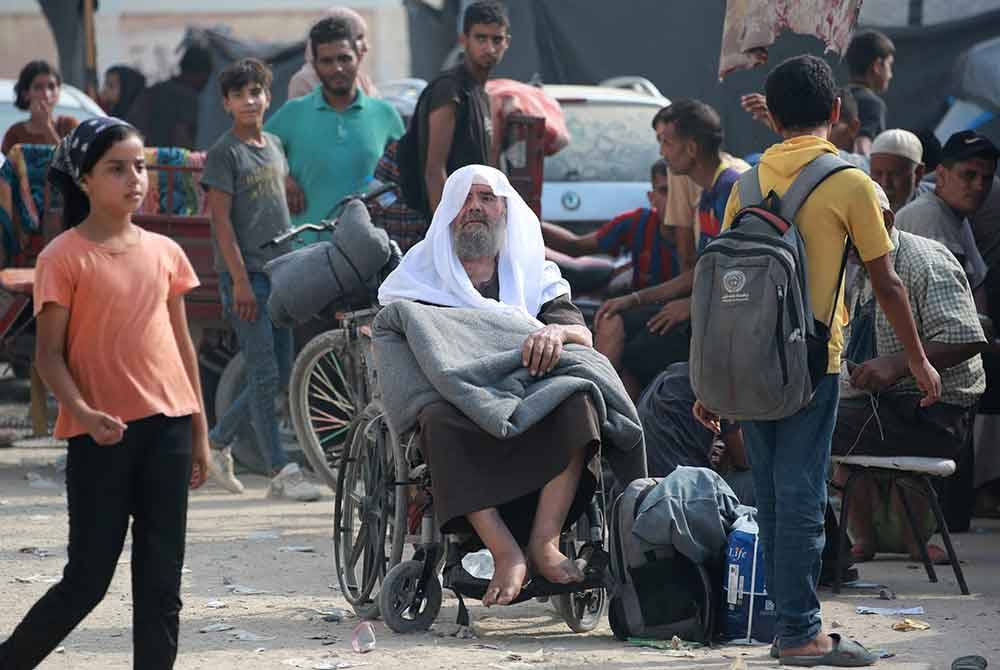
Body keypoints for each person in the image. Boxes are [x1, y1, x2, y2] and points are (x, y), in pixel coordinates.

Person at [695, 55, 941, 666]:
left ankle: (785, 624)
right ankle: (801, 632)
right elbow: (888, 284)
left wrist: (712, 378)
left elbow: (725, 285)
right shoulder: (851, 182)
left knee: (777, 496)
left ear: (771, 117)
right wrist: (919, 361)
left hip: (748, 365)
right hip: (811, 365)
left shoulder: (744, 186)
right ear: (835, 112)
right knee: (803, 495)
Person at [377, 165, 644, 607]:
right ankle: (504, 551)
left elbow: (580, 334)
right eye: (465, 199)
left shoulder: (534, 271)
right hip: (458, 394)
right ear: (449, 212)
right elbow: (402, 341)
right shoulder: (421, 275)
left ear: (504, 210)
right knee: (437, 419)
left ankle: (544, 542)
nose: (475, 208)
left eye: (487, 198)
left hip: (528, 388)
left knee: (579, 402)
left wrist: (553, 334)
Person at [0, 118, 210, 669]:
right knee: (88, 579)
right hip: (99, 437)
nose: (134, 178)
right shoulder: (62, 257)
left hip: (168, 430)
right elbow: (48, 355)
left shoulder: (166, 253)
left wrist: (200, 432)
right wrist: (85, 413)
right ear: (85, 180)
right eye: (117, 168)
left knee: (162, 584)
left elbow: (184, 350)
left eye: (139, 166)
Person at [834, 182, 985, 564]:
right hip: (887, 404)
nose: (845, 242)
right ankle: (861, 540)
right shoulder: (856, 267)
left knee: (816, 426)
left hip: (937, 413)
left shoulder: (925, 262)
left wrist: (898, 363)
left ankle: (831, 551)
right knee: (820, 412)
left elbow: (967, 339)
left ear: (884, 220)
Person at [201, 59, 322, 501]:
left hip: (282, 271)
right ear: (227, 103)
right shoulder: (224, 153)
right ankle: (280, 471)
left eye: (257, 92)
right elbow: (222, 223)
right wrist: (240, 283)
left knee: (280, 373)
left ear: (268, 97)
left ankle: (215, 443)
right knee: (263, 372)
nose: (250, 101)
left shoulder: (272, 143)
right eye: (240, 94)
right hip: (248, 276)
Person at [594, 100, 748, 400]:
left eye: (667, 142)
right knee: (614, 318)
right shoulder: (706, 194)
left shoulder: (733, 190)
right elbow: (700, 271)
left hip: (726, 322)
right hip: (705, 309)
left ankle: (624, 432)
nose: (662, 152)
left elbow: (742, 273)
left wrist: (691, 306)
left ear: (691, 149)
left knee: (637, 355)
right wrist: (633, 299)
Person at [266, 17, 404, 241]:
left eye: (344, 58)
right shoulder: (293, 113)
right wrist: (282, 177)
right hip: (306, 252)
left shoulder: (385, 115)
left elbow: (403, 176)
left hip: (370, 255)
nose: (337, 68)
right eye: (327, 61)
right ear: (314, 65)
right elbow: (254, 150)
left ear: (358, 57)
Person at [412, 0, 510, 215]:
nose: (489, 48)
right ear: (464, 40)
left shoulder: (485, 95)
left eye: (497, 39)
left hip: (477, 220)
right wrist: (446, 228)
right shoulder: (450, 90)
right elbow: (435, 170)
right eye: (481, 38)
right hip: (453, 223)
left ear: (507, 43)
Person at [894, 130, 997, 310]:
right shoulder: (931, 216)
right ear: (941, 175)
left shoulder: (955, 213)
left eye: (986, 178)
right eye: (969, 175)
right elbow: (947, 308)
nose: (979, 186)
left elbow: (978, 283)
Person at [541, 159, 679, 291]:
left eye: (679, 191)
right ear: (651, 198)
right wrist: (530, 225)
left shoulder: (699, 235)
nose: (674, 198)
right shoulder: (638, 223)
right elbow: (575, 246)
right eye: (665, 191)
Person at [637, 362, 753, 503]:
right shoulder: (723, 383)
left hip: (644, 493)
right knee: (764, 480)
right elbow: (744, 460)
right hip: (684, 499)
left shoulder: (674, 374)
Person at [741, 87, 869, 172]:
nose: (818, 134)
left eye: (831, 126)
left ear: (853, 127)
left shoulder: (869, 167)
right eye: (812, 125)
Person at [126, 45, 213, 150]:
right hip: (168, 160)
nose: (205, 84)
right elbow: (181, 137)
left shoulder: (156, 89)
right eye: (205, 79)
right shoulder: (187, 96)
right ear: (200, 74)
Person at [288, 7, 377, 100]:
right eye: (359, 37)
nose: (366, 47)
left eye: (344, 59)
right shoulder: (304, 81)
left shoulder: (362, 80)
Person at [2, 60, 79, 155]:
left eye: (51, 87)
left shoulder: (69, 125)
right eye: (38, 87)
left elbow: (70, 165)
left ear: (58, 92)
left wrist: (47, 127)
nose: (46, 94)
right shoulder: (15, 134)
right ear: (25, 94)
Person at [845, 30, 895, 156]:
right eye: (889, 65)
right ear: (877, 66)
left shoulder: (836, 98)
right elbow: (862, 149)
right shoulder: (872, 104)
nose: (890, 75)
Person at [869, 128, 925, 213]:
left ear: (918, 174)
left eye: (894, 174)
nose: (885, 183)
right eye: (878, 174)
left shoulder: (930, 213)